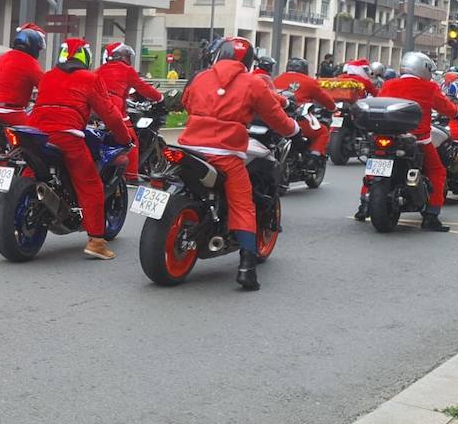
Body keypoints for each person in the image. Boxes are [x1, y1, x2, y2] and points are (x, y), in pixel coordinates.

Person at [178, 36, 299, 290]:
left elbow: (186, 102)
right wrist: (293, 129)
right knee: (243, 206)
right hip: (225, 153)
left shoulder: (200, 77)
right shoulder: (253, 83)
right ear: (249, 60)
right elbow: (276, 117)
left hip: (189, 147)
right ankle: (246, 268)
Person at [27, 38, 131, 260]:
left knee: (29, 170)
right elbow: (110, 114)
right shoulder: (90, 79)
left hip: (34, 134)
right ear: (86, 57)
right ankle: (96, 242)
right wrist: (125, 138)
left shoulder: (48, 76)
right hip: (67, 136)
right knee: (90, 185)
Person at [361, 52, 458, 231]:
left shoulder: (389, 83)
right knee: (437, 171)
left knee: (373, 167)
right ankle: (431, 215)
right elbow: (446, 107)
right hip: (418, 139)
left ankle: (363, 205)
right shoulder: (430, 87)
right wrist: (457, 112)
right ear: (423, 68)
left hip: (385, 134)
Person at [96, 42, 161, 182]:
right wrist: (160, 97)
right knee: (132, 141)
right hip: (115, 109)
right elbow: (143, 87)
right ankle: (131, 176)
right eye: (126, 55)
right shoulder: (126, 70)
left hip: (95, 110)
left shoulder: (99, 70)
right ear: (119, 56)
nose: (128, 58)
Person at [0, 23, 46, 126]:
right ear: (34, 46)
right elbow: (46, 85)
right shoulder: (30, 62)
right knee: (36, 130)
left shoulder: (1, 58)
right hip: (10, 112)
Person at [274, 57, 336, 162]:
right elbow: (325, 99)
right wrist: (333, 108)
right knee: (323, 132)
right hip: (299, 120)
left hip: (277, 119)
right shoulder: (309, 81)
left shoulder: (277, 79)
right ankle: (313, 158)